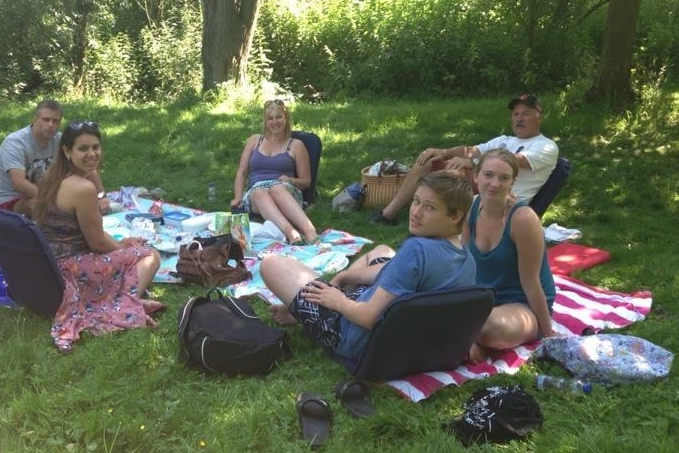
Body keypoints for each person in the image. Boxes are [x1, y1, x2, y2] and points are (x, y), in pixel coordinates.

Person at [262, 172, 476, 362]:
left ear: (455, 216)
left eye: (429, 207)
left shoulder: (417, 250)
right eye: (416, 201)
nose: (416, 212)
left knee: (272, 263)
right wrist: (346, 276)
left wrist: (338, 301)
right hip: (410, 345)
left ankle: (307, 313)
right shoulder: (467, 259)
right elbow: (399, 274)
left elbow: (368, 318)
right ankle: (305, 307)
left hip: (355, 338)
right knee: (382, 251)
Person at [35, 120, 163, 354]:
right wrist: (124, 249)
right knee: (150, 255)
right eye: (83, 149)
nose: (92, 154)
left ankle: (124, 300)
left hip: (50, 265)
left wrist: (121, 244)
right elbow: (97, 243)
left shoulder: (51, 179)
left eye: (95, 147)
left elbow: (90, 232)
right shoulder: (83, 189)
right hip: (72, 269)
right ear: (67, 151)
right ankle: (125, 306)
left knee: (128, 249)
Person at [372, 93, 558, 225]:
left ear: (539, 117)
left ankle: (433, 223)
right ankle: (389, 214)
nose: (519, 118)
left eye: (526, 113)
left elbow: (509, 162)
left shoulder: (546, 146)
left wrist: (473, 163)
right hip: (482, 184)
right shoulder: (504, 140)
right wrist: (444, 152)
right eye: (516, 114)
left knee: (455, 172)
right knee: (428, 160)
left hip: (502, 195)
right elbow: (472, 150)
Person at [463, 148, 556, 363]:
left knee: (491, 328)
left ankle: (464, 337)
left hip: (521, 303)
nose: (494, 183)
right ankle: (468, 340)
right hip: (483, 299)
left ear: (512, 182)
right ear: (476, 176)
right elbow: (464, 264)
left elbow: (531, 282)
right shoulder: (472, 207)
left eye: (503, 178)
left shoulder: (523, 219)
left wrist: (548, 336)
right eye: (488, 175)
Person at [0, 99, 109, 217]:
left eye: (55, 121)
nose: (50, 125)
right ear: (35, 119)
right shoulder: (15, 143)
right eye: (46, 119)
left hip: (48, 195)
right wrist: (54, 199)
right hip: (12, 201)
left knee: (83, 200)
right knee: (36, 206)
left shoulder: (60, 140)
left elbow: (87, 167)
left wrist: (101, 196)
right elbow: (19, 184)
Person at [230, 99, 318, 245]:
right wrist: (238, 197)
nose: (275, 122)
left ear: (286, 118)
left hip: (285, 190)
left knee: (276, 188)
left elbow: (307, 182)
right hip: (256, 193)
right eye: (270, 118)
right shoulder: (254, 140)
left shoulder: (296, 145)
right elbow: (242, 172)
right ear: (265, 121)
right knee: (259, 192)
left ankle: (310, 232)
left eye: (278, 117)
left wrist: (291, 180)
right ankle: (293, 235)